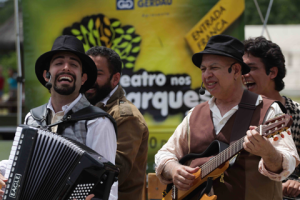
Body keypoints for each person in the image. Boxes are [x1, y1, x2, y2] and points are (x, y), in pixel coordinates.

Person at [155, 35, 300, 200]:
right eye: (203, 69)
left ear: (236, 71)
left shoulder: (268, 110)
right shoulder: (194, 114)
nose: (207, 75)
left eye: (214, 68)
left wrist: (268, 153)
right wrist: (174, 169)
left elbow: (288, 163)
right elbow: (164, 154)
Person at [0, 35, 118, 200]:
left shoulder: (97, 123)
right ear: (46, 75)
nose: (66, 68)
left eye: (74, 64)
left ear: (83, 78)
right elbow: (18, 164)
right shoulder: (32, 118)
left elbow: (109, 191)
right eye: (58, 63)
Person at [85, 46, 149, 200]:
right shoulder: (86, 109)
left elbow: (116, 172)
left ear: (115, 79)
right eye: (87, 73)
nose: (90, 80)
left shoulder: (125, 116)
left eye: (98, 74)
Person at [243, 36, 300, 199]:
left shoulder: (296, 113)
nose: (244, 75)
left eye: (251, 68)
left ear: (272, 72)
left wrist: (297, 183)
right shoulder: (235, 114)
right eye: (242, 69)